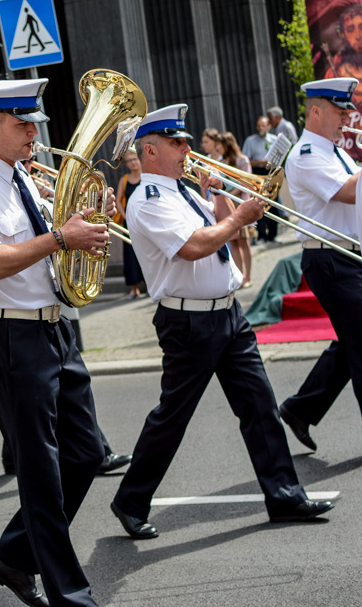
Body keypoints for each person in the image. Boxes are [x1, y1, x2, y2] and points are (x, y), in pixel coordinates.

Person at [108, 104, 333, 541]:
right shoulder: (148, 199)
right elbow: (194, 246)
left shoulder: (182, 188)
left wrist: (223, 199)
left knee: (259, 403)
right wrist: (237, 217)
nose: (187, 148)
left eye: (187, 141)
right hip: (188, 322)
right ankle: (130, 500)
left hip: (227, 312)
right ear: (150, 151)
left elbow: (219, 226)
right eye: (177, 142)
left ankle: (285, 495)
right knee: (172, 417)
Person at [0, 79, 111, 607]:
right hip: (8, 332)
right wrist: (62, 237)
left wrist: (84, 219)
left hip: (53, 327)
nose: (33, 132)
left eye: (34, 122)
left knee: (85, 454)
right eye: (22, 124)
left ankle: (14, 556)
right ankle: (70, 596)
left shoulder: (23, 177)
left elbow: (53, 243)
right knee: (40, 471)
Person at [277, 78, 362, 452]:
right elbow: (347, 192)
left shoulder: (336, 152)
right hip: (330, 257)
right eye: (340, 111)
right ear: (315, 111)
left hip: (347, 255)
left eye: (347, 111)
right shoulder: (307, 154)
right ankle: (300, 408)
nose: (347, 118)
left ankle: (301, 408)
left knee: (352, 343)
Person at [217, 131, 254, 286]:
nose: (217, 147)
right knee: (234, 242)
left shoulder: (241, 160)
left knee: (244, 242)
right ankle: (240, 276)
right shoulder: (220, 160)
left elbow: (246, 183)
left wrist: (230, 194)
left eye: (220, 144)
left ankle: (248, 277)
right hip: (228, 203)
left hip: (240, 202)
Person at [243, 116, 280, 242]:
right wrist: (260, 162)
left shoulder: (275, 140)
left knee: (273, 204)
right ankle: (262, 234)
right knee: (259, 203)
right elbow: (246, 160)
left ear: (269, 126)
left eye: (263, 126)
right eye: (258, 126)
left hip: (270, 172)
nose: (260, 128)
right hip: (258, 172)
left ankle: (273, 235)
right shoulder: (250, 141)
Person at [116, 149, 145, 299]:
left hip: (146, 221)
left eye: (135, 159)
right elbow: (118, 200)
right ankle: (134, 289)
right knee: (130, 255)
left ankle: (150, 286)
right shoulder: (125, 179)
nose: (133, 162)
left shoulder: (146, 177)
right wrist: (125, 216)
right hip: (130, 222)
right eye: (129, 161)